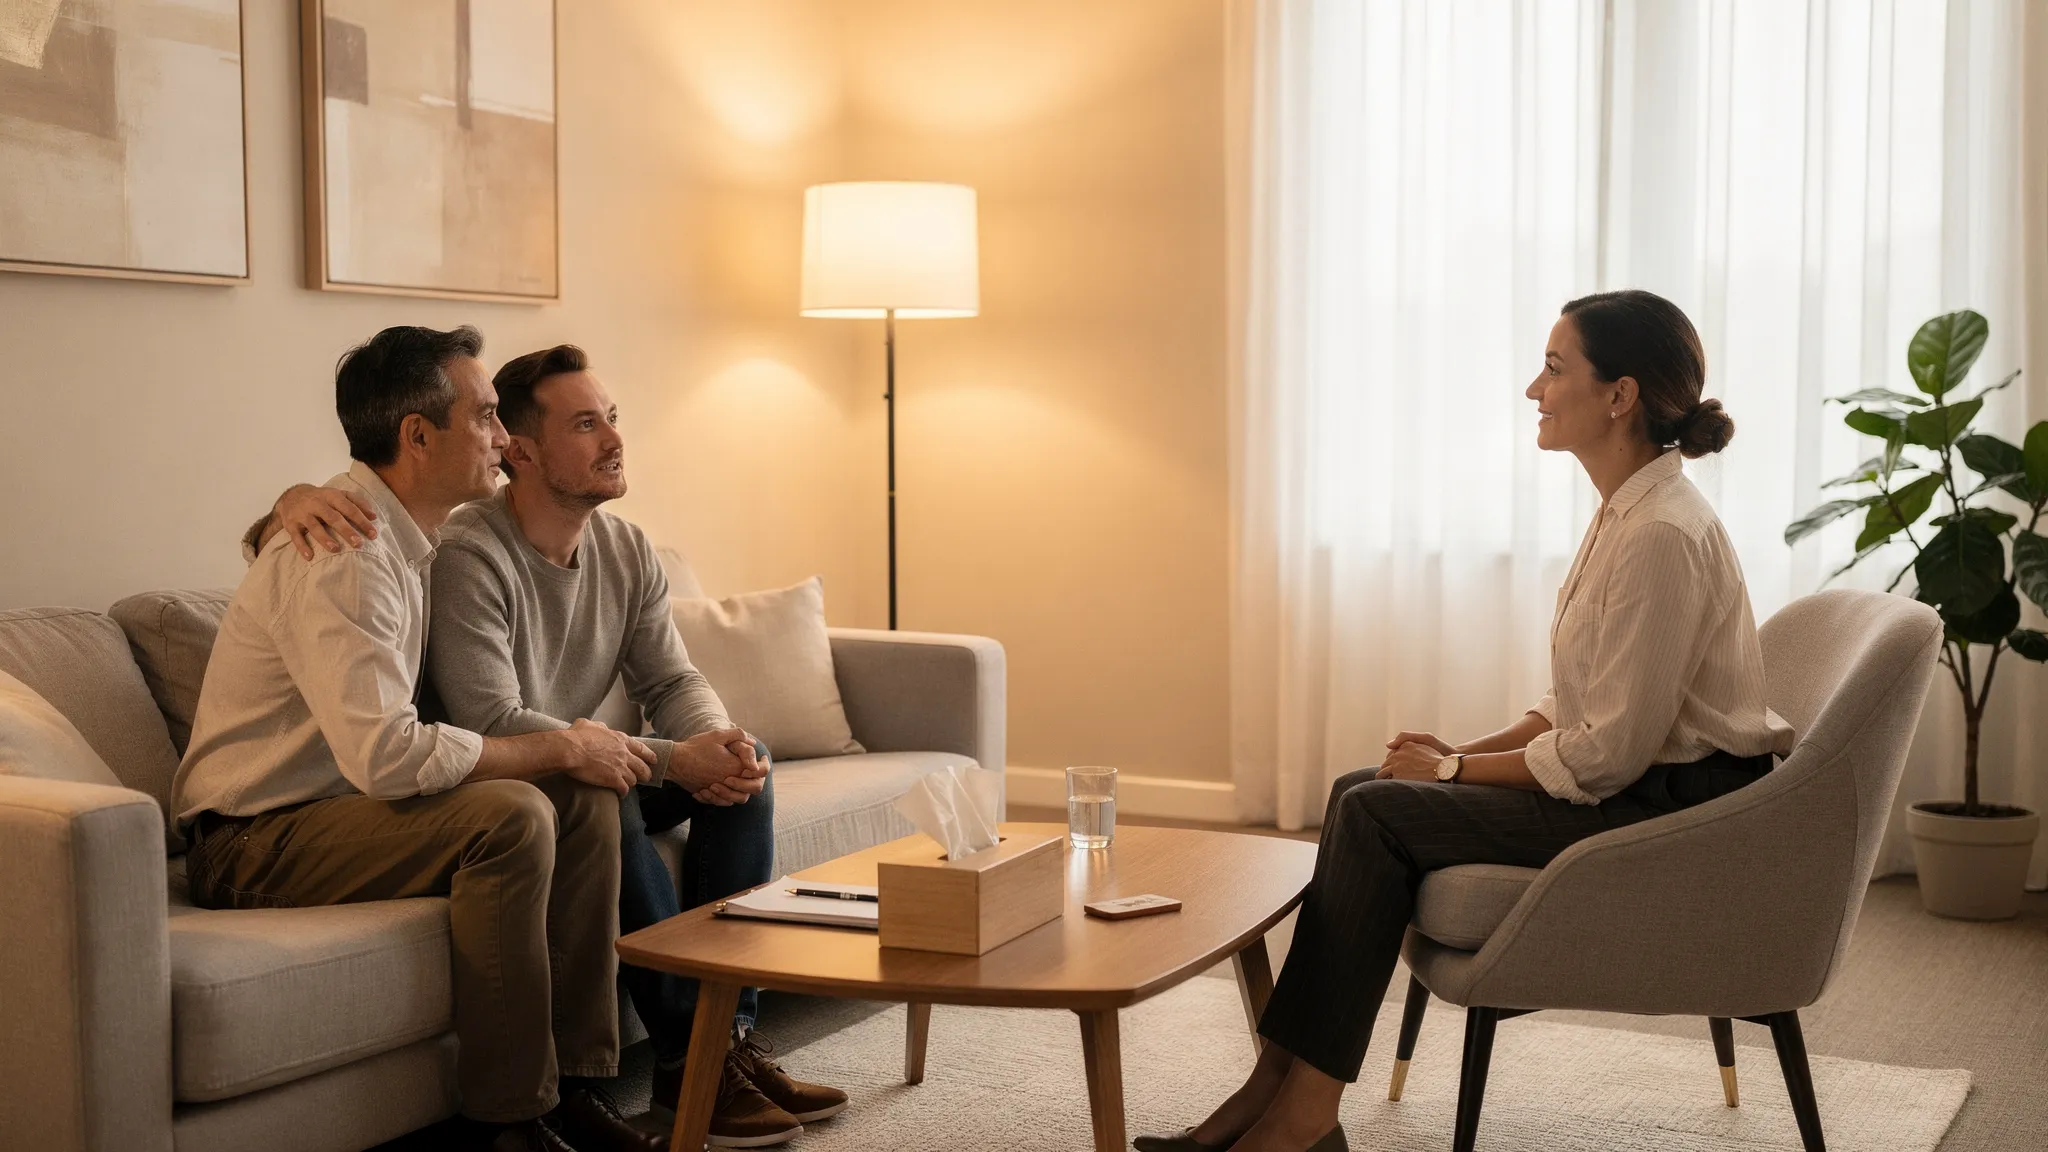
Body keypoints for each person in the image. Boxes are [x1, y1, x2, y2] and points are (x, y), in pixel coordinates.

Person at [1137, 290, 1798, 1152]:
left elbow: (1609, 754)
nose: (1534, 387)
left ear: (1620, 395)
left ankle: (1303, 1117)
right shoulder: (1625, 510)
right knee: (1362, 788)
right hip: (1639, 780)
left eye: (1556, 369)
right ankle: (1276, 1081)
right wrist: (1461, 751)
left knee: (1376, 810)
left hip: (1672, 812)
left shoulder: (1662, 534)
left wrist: (1448, 775)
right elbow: (1578, 702)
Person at [258, 345, 848, 1148]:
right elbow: (487, 719)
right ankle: (686, 1056)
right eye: (584, 423)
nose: (613, 439)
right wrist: (659, 759)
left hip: (555, 758)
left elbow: (671, 676)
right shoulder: (453, 553)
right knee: (594, 792)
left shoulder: (604, 548)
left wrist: (714, 739)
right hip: (495, 769)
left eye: (612, 418)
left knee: (747, 773)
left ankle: (723, 1045)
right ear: (521, 452)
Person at [174, 326, 668, 1152]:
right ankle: (511, 1122)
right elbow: (388, 757)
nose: (506, 440)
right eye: (483, 418)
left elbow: (276, 539)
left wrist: (287, 497)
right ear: (416, 435)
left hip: (343, 813)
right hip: (252, 840)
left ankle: (580, 1085)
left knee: (583, 797)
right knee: (512, 814)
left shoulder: (410, 533)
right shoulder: (348, 554)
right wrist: (558, 745)